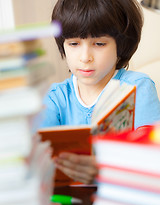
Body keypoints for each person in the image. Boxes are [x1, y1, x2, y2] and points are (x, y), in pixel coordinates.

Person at [40, 0, 160, 184]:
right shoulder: (55, 97)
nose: (85, 57)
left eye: (99, 43)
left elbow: (153, 153)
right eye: (74, 44)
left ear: (121, 45)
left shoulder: (138, 87)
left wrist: (104, 169)